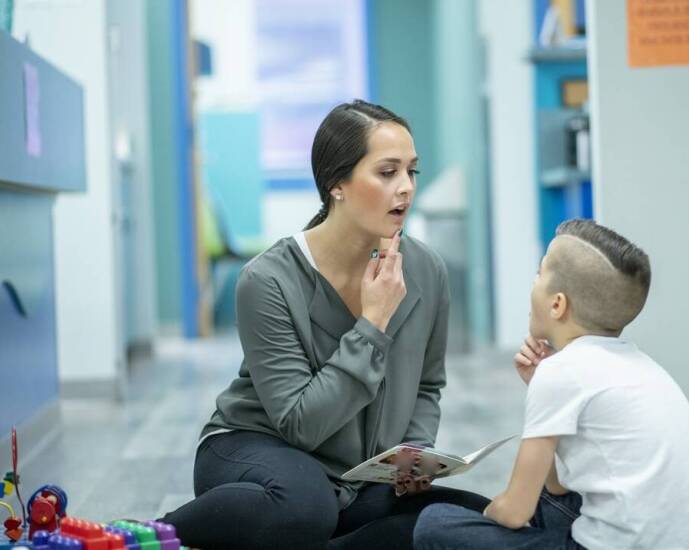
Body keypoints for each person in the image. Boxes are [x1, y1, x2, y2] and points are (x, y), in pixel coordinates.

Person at [163, 100, 488, 550]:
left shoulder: (427, 271)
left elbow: (427, 386)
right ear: (337, 183)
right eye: (387, 172)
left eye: (411, 171)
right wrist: (373, 321)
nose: (406, 188)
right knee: (305, 507)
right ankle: (146, 535)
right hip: (260, 448)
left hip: (355, 476)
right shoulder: (267, 279)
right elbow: (302, 424)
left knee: (473, 518)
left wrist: (413, 458)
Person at [414, 219, 689, 550]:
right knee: (549, 497)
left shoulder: (561, 373)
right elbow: (558, 490)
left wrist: (482, 527)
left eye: (539, 273)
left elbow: (515, 512)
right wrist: (539, 389)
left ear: (557, 304)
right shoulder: (642, 367)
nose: (532, 282)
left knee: (434, 523)